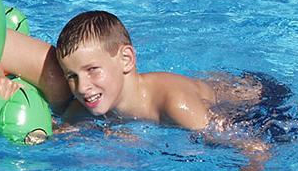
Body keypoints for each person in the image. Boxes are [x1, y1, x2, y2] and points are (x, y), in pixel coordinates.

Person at [54, 10, 264, 130]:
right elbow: (57, 136)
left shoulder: (175, 104)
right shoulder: (83, 109)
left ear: (126, 60)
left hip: (257, 103)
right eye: (72, 76)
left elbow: (251, 147)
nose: (82, 87)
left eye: (92, 69)